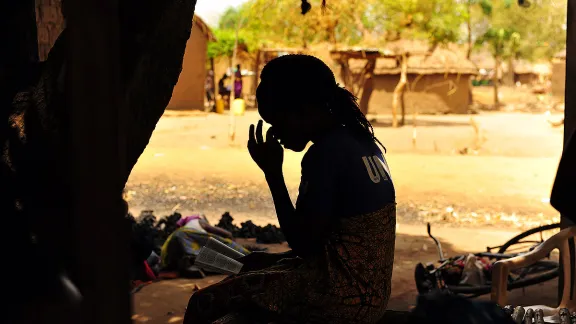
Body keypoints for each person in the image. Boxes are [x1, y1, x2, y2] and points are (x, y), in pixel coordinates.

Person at [184, 55, 396, 323]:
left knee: (203, 302)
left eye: (277, 121)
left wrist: (273, 174)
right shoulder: (362, 141)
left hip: (340, 298)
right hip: (371, 293)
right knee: (255, 266)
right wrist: (275, 260)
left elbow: (304, 243)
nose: (275, 134)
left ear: (305, 110)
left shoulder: (324, 154)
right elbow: (336, 241)